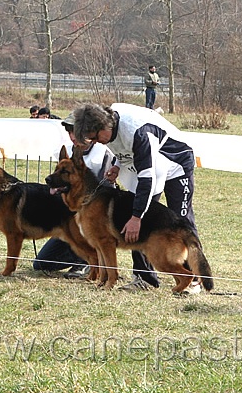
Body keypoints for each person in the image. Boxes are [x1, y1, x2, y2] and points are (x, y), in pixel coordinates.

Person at [72, 102, 201, 293]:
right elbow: (122, 149)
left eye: (95, 137)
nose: (96, 142)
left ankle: (195, 278)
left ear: (104, 126)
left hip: (175, 162)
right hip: (143, 162)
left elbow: (147, 180)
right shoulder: (107, 127)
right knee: (135, 217)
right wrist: (117, 165)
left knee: (180, 220)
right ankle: (144, 278)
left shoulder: (137, 131)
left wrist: (136, 217)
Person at [33, 112, 116, 278]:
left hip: (94, 216)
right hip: (69, 218)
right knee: (42, 264)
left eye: (77, 132)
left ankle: (87, 263)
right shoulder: (64, 153)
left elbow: (105, 188)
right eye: (70, 132)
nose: (73, 137)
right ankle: (82, 255)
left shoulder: (103, 152)